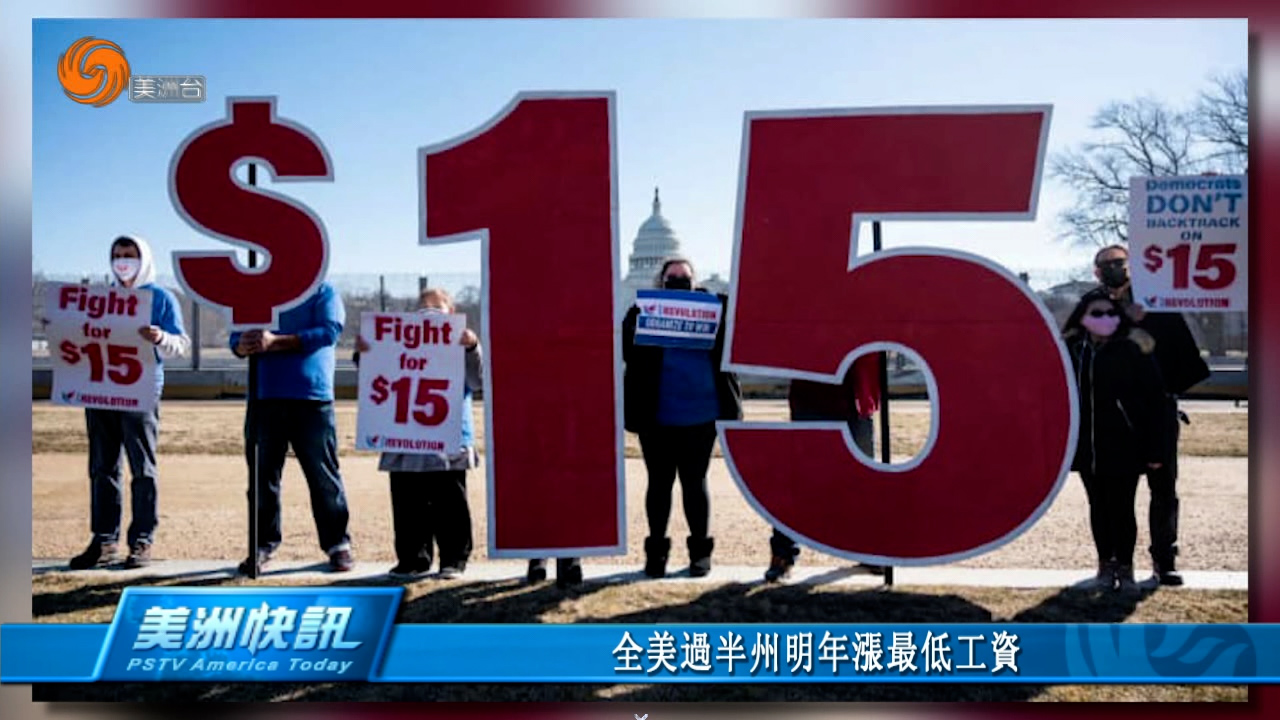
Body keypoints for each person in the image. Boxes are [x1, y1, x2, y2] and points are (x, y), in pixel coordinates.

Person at [69, 235, 190, 570]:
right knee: (102, 467)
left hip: (141, 391)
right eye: (118, 255)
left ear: (144, 258)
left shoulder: (160, 297)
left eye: (130, 255)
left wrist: (160, 337)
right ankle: (104, 539)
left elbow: (180, 344)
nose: (123, 261)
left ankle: (142, 539)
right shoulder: (99, 298)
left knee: (142, 468)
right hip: (100, 390)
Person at [1094, 244, 1210, 585]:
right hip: (1114, 418)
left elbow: (1187, 363)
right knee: (1117, 493)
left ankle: (1164, 559)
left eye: (1120, 262)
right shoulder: (1094, 309)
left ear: (1131, 266)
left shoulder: (1160, 305)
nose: (1115, 269)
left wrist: (1161, 389)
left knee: (1163, 489)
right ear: (1096, 272)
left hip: (1158, 413)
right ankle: (1119, 563)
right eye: (1107, 265)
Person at [623, 257, 743, 578]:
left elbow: (737, 334)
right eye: (672, 278)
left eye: (684, 278)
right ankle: (656, 554)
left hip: (701, 413)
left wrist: (719, 305)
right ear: (660, 283)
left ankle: (700, 553)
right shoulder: (640, 312)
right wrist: (639, 321)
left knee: (695, 483)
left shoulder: (714, 310)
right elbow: (627, 352)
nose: (678, 282)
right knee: (658, 484)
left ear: (695, 283)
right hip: (656, 415)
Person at [354, 289, 482, 579]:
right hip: (404, 437)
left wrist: (472, 347)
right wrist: (365, 353)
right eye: (423, 309)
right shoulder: (399, 341)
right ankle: (413, 558)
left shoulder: (462, 345)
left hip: (447, 438)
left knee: (450, 502)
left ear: (452, 313)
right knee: (407, 503)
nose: (429, 315)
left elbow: (477, 381)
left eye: (437, 309)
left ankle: (453, 559)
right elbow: (376, 376)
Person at [230, 281, 354, 573]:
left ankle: (338, 543)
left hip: (312, 396)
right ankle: (262, 544)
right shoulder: (256, 291)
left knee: (323, 476)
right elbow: (236, 334)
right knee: (261, 478)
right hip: (263, 396)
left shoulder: (322, 291)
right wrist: (240, 345)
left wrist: (276, 342)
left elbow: (329, 331)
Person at [1063, 287, 1170, 592]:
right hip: (1087, 447)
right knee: (1098, 507)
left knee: (1122, 507)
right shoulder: (1073, 351)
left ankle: (1125, 569)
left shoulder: (1133, 349)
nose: (1105, 318)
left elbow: (1156, 401)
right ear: (1082, 317)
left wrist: (1155, 448)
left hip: (1125, 444)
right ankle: (1104, 567)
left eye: (1111, 313)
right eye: (1097, 313)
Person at [764, 360, 883, 582]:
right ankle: (782, 554)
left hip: (855, 397)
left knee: (865, 482)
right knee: (799, 482)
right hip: (812, 394)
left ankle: (872, 549)